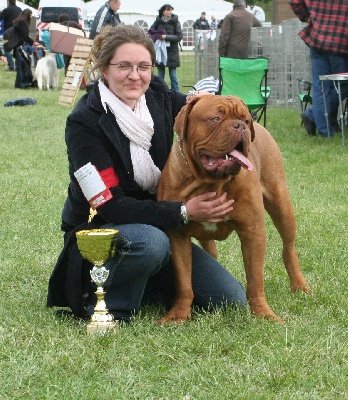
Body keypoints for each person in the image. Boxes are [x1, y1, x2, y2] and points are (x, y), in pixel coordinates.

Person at [46, 24, 247, 325]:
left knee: (228, 299)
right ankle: (108, 307)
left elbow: (206, 115)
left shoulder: (161, 96)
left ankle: (145, 282)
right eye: (123, 66)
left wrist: (234, 124)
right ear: (103, 68)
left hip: (163, 227)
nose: (135, 75)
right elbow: (109, 204)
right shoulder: (84, 122)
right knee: (151, 242)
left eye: (143, 67)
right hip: (105, 228)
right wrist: (183, 211)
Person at [290, 0, 348, 137]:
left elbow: (295, 2)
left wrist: (307, 16)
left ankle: (323, 129)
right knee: (343, 84)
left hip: (318, 39)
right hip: (340, 42)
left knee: (321, 87)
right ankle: (314, 117)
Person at [149, 4, 182, 92]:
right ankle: (160, 92)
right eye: (168, 10)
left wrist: (166, 37)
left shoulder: (175, 22)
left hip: (172, 52)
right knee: (160, 75)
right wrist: (158, 35)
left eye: (171, 10)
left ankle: (176, 94)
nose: (170, 12)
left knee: (173, 76)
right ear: (163, 11)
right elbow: (151, 31)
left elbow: (179, 36)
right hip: (160, 51)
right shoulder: (158, 21)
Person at [12, 9, 40, 88]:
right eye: (30, 15)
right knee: (23, 65)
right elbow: (25, 36)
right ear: (27, 15)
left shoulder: (18, 21)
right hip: (21, 46)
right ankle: (22, 83)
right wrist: (33, 42)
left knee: (20, 66)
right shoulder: (22, 23)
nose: (31, 17)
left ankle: (21, 83)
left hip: (17, 45)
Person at [0, 0, 21, 71]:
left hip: (7, 34)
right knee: (17, 49)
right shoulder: (19, 9)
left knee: (6, 48)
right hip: (17, 33)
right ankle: (18, 67)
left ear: (8, 2)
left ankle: (11, 66)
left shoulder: (7, 10)